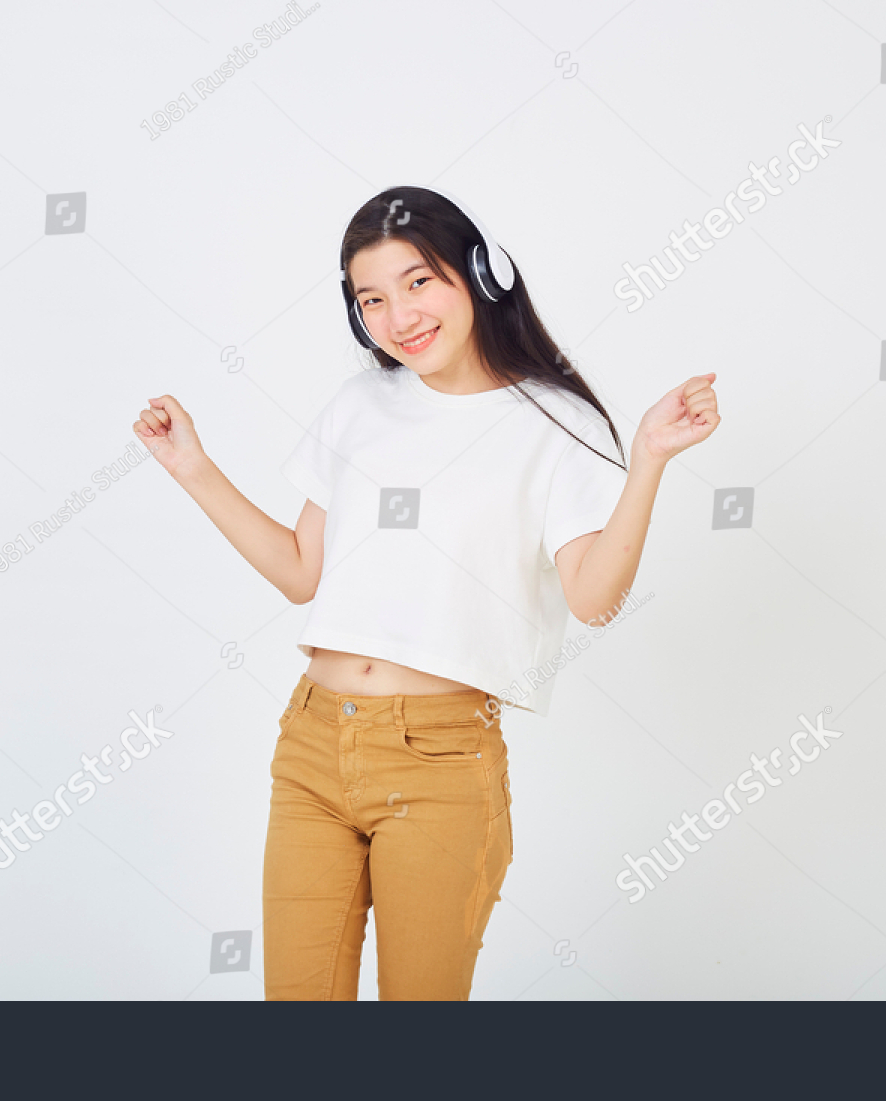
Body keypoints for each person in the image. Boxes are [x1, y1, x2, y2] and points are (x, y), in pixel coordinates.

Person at [134, 185, 719, 999]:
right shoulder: (361, 404)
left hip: (441, 757)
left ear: (479, 273)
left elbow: (593, 599)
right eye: (371, 299)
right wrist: (192, 468)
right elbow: (304, 568)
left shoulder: (554, 423)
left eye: (418, 282)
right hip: (310, 745)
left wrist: (648, 459)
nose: (399, 316)